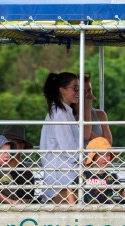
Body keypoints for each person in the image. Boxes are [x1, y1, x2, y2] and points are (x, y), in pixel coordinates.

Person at [40, 71, 80, 204]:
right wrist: (90, 157)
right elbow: (70, 150)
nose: (78, 91)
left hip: (66, 179)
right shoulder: (60, 114)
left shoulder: (63, 112)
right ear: (62, 90)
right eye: (75, 88)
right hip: (62, 181)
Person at [81, 137, 125, 204]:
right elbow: (71, 190)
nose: (105, 158)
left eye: (108, 155)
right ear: (93, 157)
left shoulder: (111, 177)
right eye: (101, 154)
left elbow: (123, 194)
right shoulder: (84, 175)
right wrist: (75, 208)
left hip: (107, 212)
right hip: (88, 211)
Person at [0, 134, 36, 204]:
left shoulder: (3, 168)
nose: (7, 155)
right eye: (2, 152)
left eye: (8, 152)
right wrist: (11, 202)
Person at [73, 73, 113, 145]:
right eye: (83, 91)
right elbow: (85, 135)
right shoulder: (69, 114)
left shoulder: (100, 114)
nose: (87, 94)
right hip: (78, 155)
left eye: (89, 90)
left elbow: (108, 143)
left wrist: (89, 133)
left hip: (98, 155)